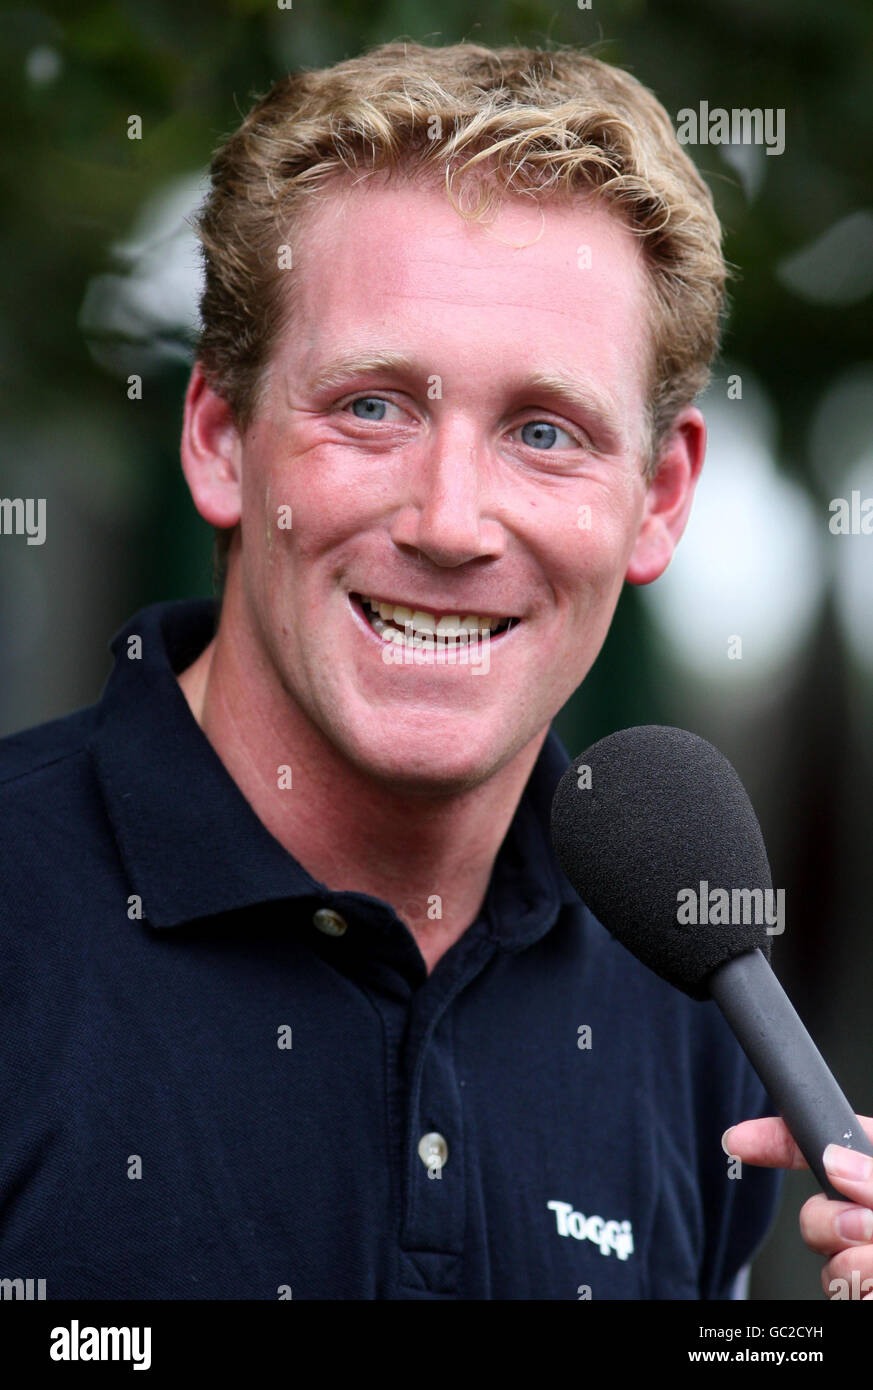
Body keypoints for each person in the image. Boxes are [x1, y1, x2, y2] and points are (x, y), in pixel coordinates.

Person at [2, 39, 868, 1301]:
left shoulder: (686, 1004)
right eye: (371, 406)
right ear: (218, 440)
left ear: (659, 499)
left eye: (543, 432)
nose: (451, 520)